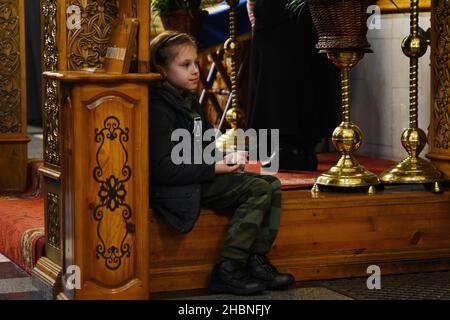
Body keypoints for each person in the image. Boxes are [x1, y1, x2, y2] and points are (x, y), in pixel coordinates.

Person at [149, 30, 295, 295]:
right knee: (258, 188)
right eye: (185, 65)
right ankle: (228, 267)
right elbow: (163, 169)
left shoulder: (189, 100)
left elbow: (205, 147)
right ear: (161, 70)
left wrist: (225, 157)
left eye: (196, 63)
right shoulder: (158, 107)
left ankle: (255, 259)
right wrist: (215, 167)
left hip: (197, 177)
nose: (195, 71)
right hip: (176, 188)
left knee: (271, 183)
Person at [246, 0, 341, 171]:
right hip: (294, 15)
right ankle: (300, 150)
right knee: (293, 77)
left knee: (279, 80)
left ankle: (292, 150)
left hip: (285, 17)